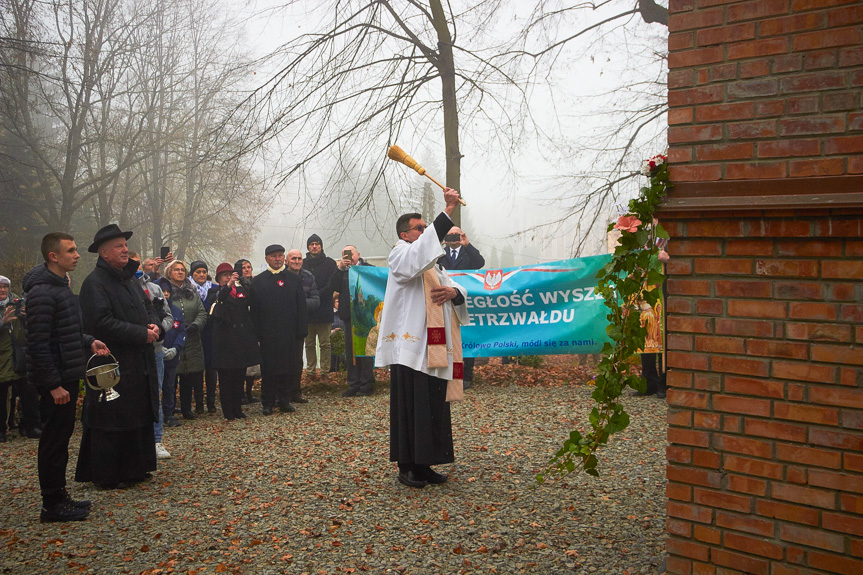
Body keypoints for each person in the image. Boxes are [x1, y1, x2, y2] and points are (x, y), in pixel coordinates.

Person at [375, 188, 468, 488]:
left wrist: (454, 293)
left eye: (426, 226)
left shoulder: (434, 264)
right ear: (405, 234)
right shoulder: (400, 254)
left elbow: (454, 287)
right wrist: (448, 209)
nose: (426, 230)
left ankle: (426, 463)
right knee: (410, 406)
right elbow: (417, 258)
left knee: (431, 404)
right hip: (409, 345)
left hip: (434, 346)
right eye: (420, 227)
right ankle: (408, 465)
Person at [23, 232, 109, 520]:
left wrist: (88, 342)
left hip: (69, 374)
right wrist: (53, 385)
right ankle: (52, 504)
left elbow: (66, 331)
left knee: (61, 439)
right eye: (70, 251)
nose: (76, 255)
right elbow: (37, 344)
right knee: (53, 442)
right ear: (53, 256)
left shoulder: (60, 289)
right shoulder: (42, 293)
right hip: (56, 380)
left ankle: (60, 495)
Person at [76, 224, 160, 490]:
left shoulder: (130, 279)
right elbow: (101, 323)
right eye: (119, 246)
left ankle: (135, 468)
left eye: (125, 245)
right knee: (114, 418)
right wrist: (140, 333)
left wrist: (155, 326)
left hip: (140, 360)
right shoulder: (94, 283)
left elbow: (148, 307)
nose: (125, 250)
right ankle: (109, 473)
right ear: (104, 252)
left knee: (136, 414)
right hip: (113, 361)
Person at [250, 244, 307, 415]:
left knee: (288, 368)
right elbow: (255, 310)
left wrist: (300, 331)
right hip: (268, 334)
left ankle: (284, 400)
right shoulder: (258, 281)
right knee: (269, 369)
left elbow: (301, 307)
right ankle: (267, 402)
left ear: (284, 258)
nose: (277, 259)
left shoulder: (294, 279)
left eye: (280, 256)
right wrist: (257, 334)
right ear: (267, 258)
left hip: (289, 333)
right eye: (274, 256)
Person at [129, 252, 173, 460]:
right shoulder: (120, 286)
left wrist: (158, 332)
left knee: (155, 393)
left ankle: (156, 440)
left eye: (138, 262)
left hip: (155, 350)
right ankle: (134, 440)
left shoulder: (154, 288)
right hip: (131, 349)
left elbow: (168, 316)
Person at [210, 263, 260, 421]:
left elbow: (254, 302)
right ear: (219, 278)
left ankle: (238, 408)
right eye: (224, 275)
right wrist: (228, 285)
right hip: (225, 340)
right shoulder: (215, 292)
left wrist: (248, 285)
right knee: (226, 378)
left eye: (229, 274)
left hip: (241, 338)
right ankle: (228, 410)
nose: (228, 277)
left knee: (239, 375)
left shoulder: (240, 291)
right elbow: (220, 299)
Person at [437, 225, 485, 389]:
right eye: (450, 236)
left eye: (456, 235)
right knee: (447, 336)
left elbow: (480, 263)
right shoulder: (440, 254)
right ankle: (447, 374)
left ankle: (467, 375)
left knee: (466, 337)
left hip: (464, 299)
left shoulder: (468, 253)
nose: (453, 239)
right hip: (444, 298)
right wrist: (439, 244)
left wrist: (467, 244)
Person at [160, 261, 207, 419]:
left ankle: (187, 408)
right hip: (171, 339)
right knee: (171, 378)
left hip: (192, 340)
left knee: (188, 377)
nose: (180, 272)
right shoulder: (164, 292)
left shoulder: (192, 292)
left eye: (182, 270)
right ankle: (170, 409)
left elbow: (202, 312)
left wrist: (195, 325)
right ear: (169, 272)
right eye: (176, 270)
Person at [328, 245, 375, 397]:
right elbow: (333, 287)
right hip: (348, 316)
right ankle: (353, 383)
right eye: (344, 254)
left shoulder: (367, 268)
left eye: (350, 253)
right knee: (351, 352)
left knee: (365, 350)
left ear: (358, 254)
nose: (348, 256)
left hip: (364, 316)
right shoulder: (341, 271)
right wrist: (340, 268)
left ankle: (366, 384)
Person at [1, 275, 41, 441]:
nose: (2, 290)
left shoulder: (19, 302)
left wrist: (27, 317)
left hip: (20, 355)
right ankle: (1, 430)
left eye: (5, 287)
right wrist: (2, 323)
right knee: (1, 395)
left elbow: (34, 327)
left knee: (29, 392)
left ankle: (30, 426)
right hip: (2, 358)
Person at [302, 234, 338, 383]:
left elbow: (332, 284)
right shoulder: (302, 264)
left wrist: (317, 295)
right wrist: (308, 300)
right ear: (308, 247)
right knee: (309, 344)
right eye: (311, 244)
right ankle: (310, 372)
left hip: (324, 309)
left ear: (321, 246)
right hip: (307, 310)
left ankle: (325, 372)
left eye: (317, 244)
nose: (314, 246)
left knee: (325, 343)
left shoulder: (330, 264)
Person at [287, 249, 319, 404]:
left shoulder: (308, 277)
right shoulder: (281, 277)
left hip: (300, 323)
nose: (297, 261)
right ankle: (282, 392)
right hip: (282, 324)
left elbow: (315, 300)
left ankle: (295, 391)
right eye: (293, 258)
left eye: (299, 258)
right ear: (287, 260)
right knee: (281, 359)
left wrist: (298, 303)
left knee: (297, 360)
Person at [190, 260, 217, 413]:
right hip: (195, 332)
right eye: (198, 272)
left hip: (212, 334)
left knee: (212, 369)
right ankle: (199, 402)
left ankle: (211, 401)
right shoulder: (188, 290)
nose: (201, 274)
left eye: (203, 272)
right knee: (197, 370)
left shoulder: (214, 289)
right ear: (192, 273)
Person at [235, 259, 260, 404]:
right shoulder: (236, 285)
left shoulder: (256, 284)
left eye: (249, 267)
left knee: (252, 364)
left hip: (253, 326)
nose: (246, 270)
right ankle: (240, 393)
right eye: (243, 268)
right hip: (240, 327)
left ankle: (249, 392)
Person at [160, 289, 186, 428]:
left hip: (172, 355)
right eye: (162, 291)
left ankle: (169, 413)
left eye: (167, 291)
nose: (165, 294)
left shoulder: (175, 310)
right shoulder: (153, 310)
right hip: (157, 353)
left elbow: (182, 331)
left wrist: (176, 348)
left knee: (169, 386)